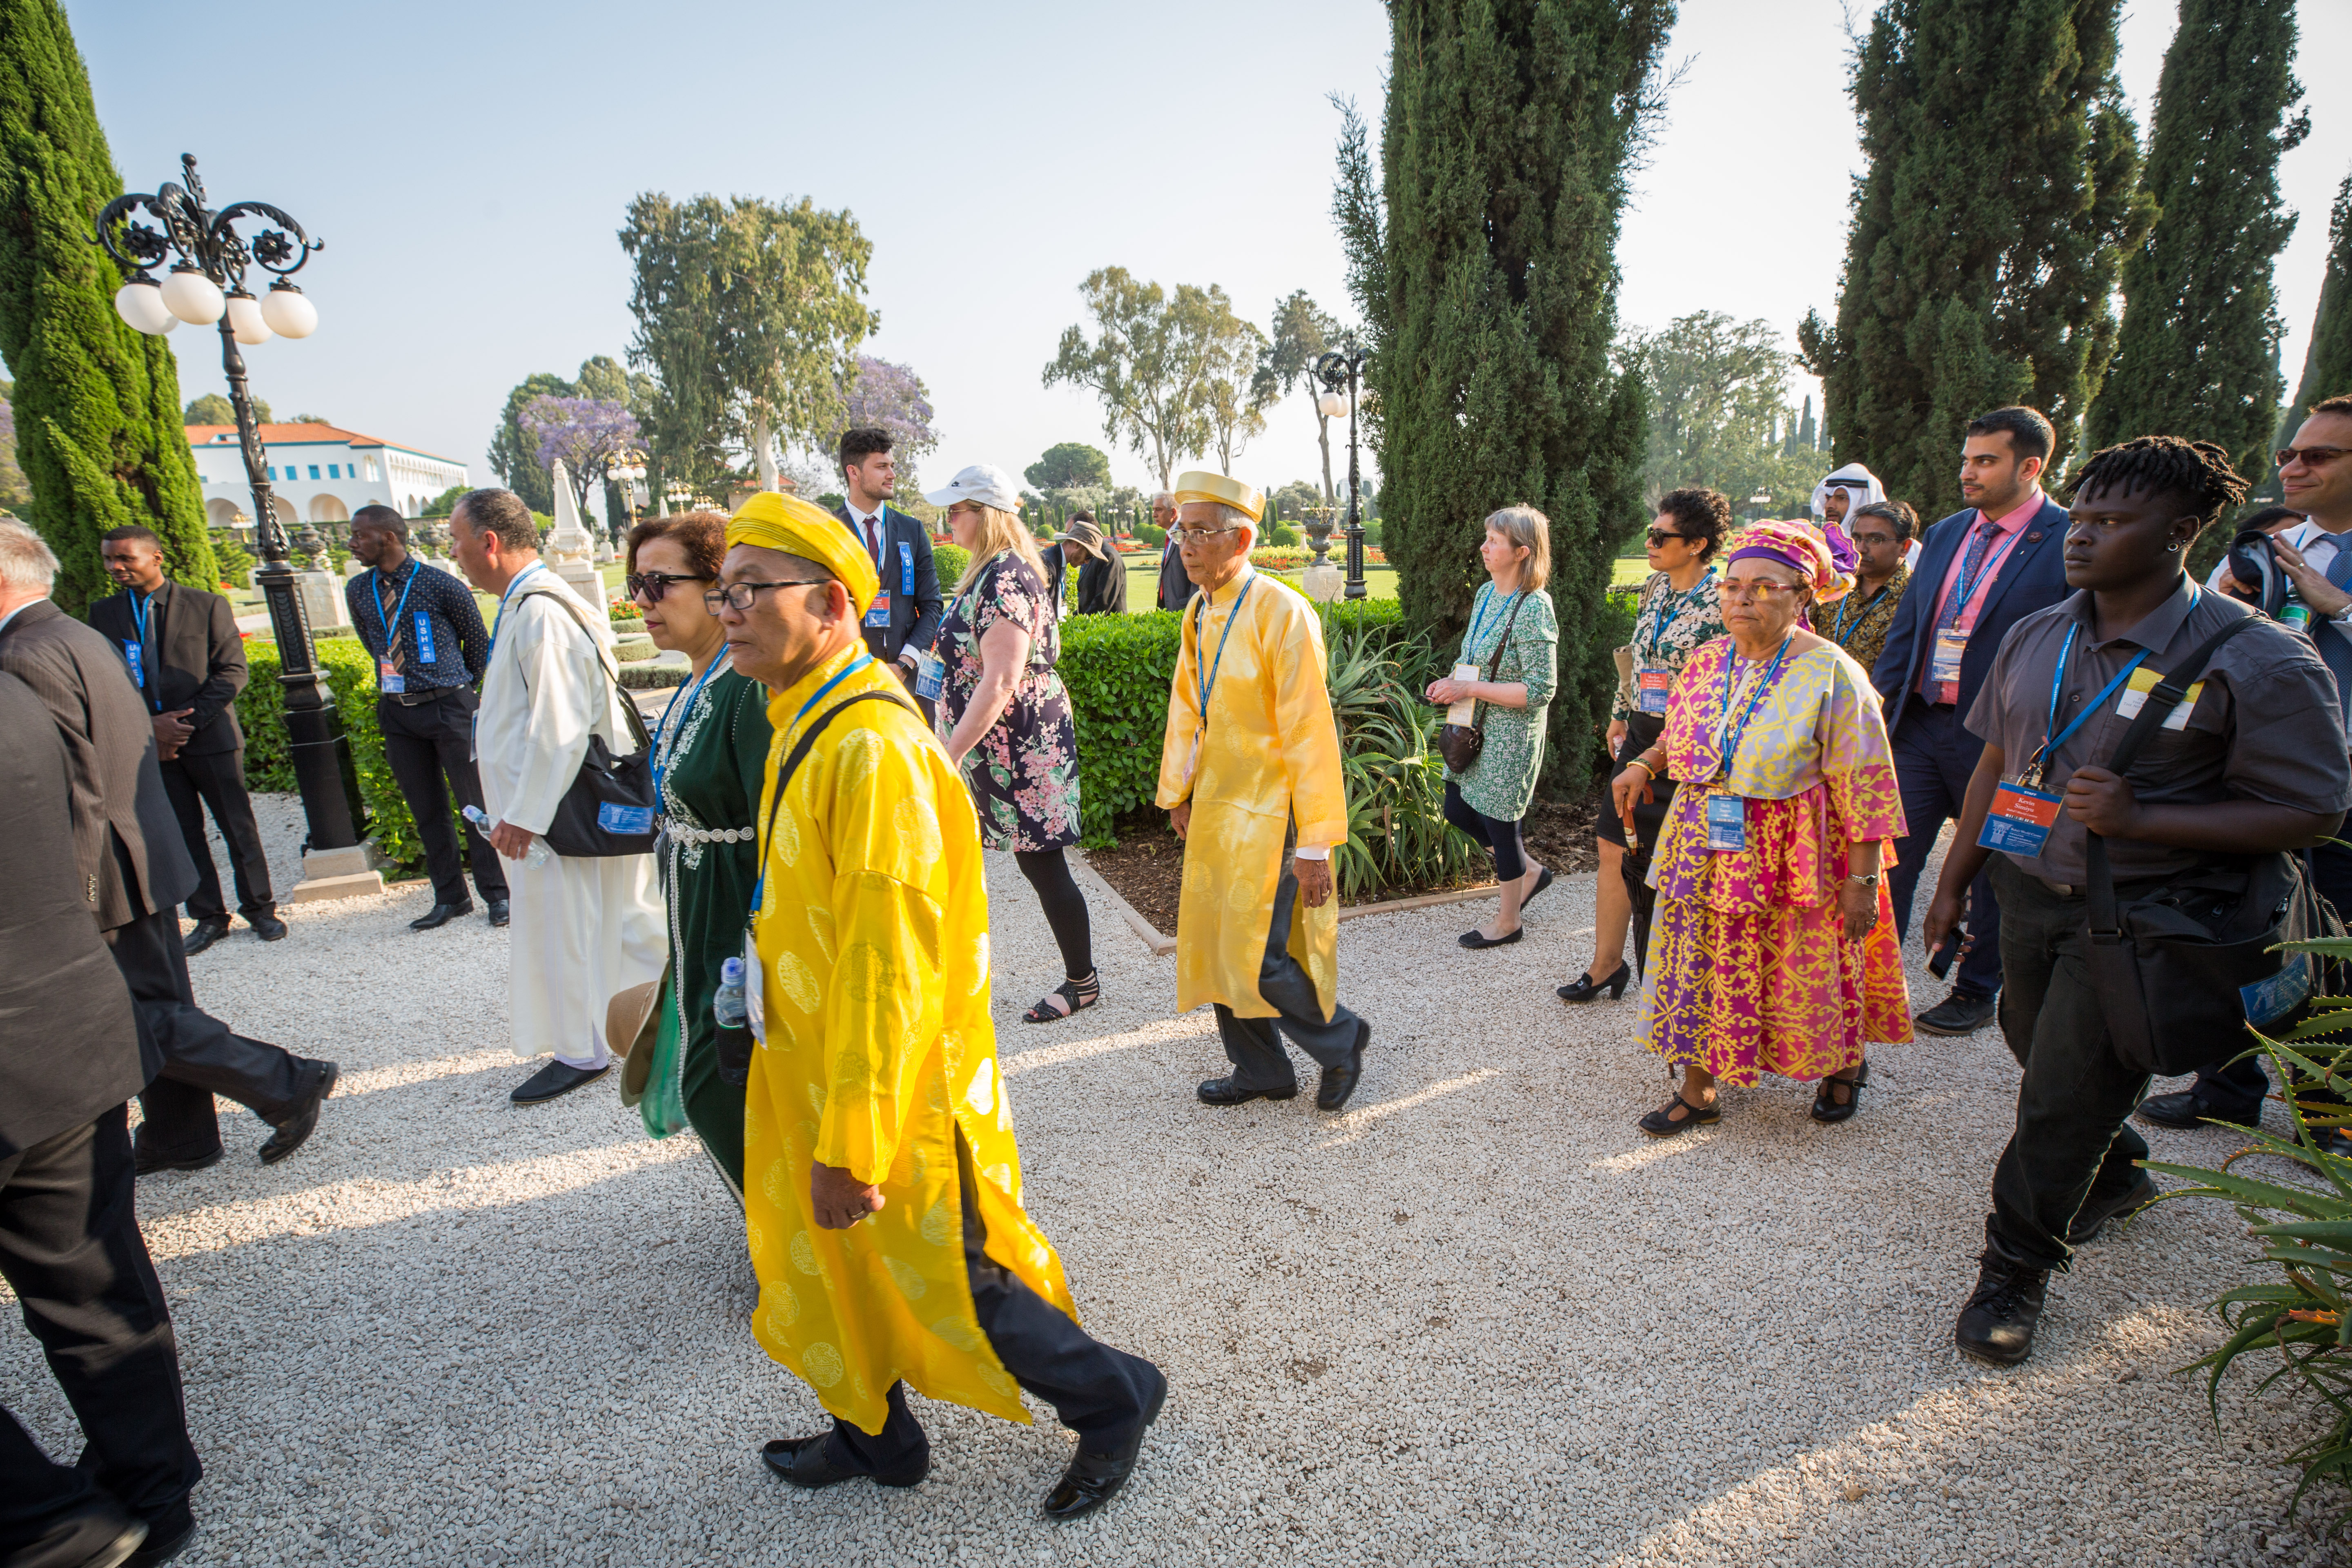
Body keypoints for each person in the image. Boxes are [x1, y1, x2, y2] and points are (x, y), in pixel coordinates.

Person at [716, 490, 1166, 1517]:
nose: (726, 608)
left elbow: (889, 961)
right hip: (813, 1055)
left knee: (961, 1271)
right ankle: (877, 1435)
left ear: (829, 601)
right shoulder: (803, 714)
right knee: (838, 1263)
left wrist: (856, 1137)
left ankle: (1110, 1399)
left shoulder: (869, 749)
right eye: (723, 589)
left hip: (892, 1087)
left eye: (750, 590)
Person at [1921, 436, 2350, 1366]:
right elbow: (1997, 758)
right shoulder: (2037, 630)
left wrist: (2143, 814)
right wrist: (1954, 880)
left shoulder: (2257, 659)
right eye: (2078, 515)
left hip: (2140, 916)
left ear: (2181, 533)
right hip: (2022, 888)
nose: (2081, 535)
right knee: (2035, 1049)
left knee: (2056, 1096)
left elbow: (2311, 808)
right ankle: (2111, 1171)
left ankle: (2014, 1266)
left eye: (2111, 522)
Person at [0, 519, 335, 1176]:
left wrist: (76, 896)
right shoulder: (75, 632)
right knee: (157, 1007)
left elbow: (74, 786)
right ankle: (182, 1139)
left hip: (105, 870)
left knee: (123, 1015)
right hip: (137, 855)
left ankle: (283, 1079)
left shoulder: (24, 656)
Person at [0, 669, 203, 1568]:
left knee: (93, 1287)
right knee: (95, 1290)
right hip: (66, 1016)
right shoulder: (11, 691)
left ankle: (47, 1519)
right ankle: (152, 1492)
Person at [1615, 519, 1909, 1136]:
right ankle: (1698, 1089)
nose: (1742, 598)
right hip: (1705, 841)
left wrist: (1861, 880)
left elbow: (1867, 782)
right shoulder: (1705, 660)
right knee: (1696, 958)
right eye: (1733, 586)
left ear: (1802, 596)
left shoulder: (1832, 672)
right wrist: (1646, 762)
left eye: (1763, 586)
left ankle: (1843, 1065)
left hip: (1795, 850)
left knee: (1813, 963)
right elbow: (1686, 731)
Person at [2152, 398, 2352, 1132]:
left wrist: (2337, 603)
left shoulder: (2323, 570)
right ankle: (2223, 1092)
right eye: (2291, 454)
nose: (2295, 467)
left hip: (2341, 792)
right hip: (2247, 778)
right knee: (2237, 932)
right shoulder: (2258, 549)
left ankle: (2327, 1108)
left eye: (2320, 457)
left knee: (2334, 947)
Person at [1155, 470, 1369, 1111]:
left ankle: (1342, 1039)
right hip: (1220, 807)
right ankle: (1261, 1072)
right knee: (1224, 946)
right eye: (1181, 531)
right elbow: (1187, 708)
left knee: (1260, 957)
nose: (1186, 545)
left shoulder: (1284, 611)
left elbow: (1310, 732)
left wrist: (1317, 843)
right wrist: (1179, 794)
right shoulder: (1200, 608)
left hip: (1274, 812)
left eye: (1200, 532)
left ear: (1241, 538)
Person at [450, 488, 666, 1105]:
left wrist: (524, 815)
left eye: (459, 543)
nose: (456, 556)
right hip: (564, 808)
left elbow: (559, 724)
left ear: (489, 543)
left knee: (570, 925)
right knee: (617, 920)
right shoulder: (532, 605)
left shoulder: (541, 613)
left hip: (557, 814)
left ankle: (583, 1048)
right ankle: (659, 1018)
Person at [1873, 406, 2073, 1038]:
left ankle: (1977, 988)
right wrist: (1875, 711)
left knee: (1996, 863)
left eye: (1985, 461)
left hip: (2006, 740)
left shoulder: (2067, 537)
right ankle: (1871, 982)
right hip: (1921, 726)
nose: (1969, 472)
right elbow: (1912, 628)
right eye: (1966, 459)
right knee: (1887, 859)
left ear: (2031, 466)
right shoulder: (1951, 531)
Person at [624, 512, 770, 1198]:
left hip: (732, 912)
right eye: (635, 585)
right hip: (695, 903)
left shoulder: (744, 689)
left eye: (659, 583)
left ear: (719, 588)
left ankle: (799, 1248)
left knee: (717, 1081)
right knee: (710, 1076)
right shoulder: (696, 682)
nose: (643, 600)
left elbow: (773, 834)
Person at [927, 464, 1098, 1023]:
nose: (948, 519)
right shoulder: (990, 571)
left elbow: (1001, 679)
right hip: (1000, 743)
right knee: (1032, 861)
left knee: (1043, 862)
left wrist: (948, 753)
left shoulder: (1005, 575)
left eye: (957, 509)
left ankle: (1083, 982)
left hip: (1022, 742)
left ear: (987, 515)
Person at [87, 525, 281, 953]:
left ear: (156, 558)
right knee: (182, 832)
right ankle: (209, 917)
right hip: (149, 744)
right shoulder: (104, 614)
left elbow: (232, 672)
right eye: (109, 560)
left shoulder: (206, 605)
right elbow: (105, 680)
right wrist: (150, 727)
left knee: (238, 827)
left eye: (126, 558)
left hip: (210, 739)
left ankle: (261, 910)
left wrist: (182, 725)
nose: (116, 567)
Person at [1569, 488, 1729, 1002]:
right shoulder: (1654, 588)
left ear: (1699, 543)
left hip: (1693, 739)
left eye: (1662, 536)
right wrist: (1620, 716)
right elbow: (1638, 659)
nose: (1651, 542)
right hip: (1641, 729)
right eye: (1650, 532)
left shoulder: (1725, 598)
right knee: (1612, 845)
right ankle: (1605, 965)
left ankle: (1674, 980)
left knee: (1674, 861)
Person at [344, 504, 509, 932]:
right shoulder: (359, 590)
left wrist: (457, 686)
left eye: (360, 536)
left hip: (450, 707)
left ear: (390, 537)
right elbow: (371, 640)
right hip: (399, 712)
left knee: (476, 805)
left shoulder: (441, 584)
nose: (352, 543)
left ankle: (499, 895)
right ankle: (451, 898)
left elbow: (477, 641)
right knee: (427, 810)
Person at [1425, 505, 1558, 949]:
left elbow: (1541, 689)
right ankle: (1531, 872)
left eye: (1494, 542)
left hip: (1510, 736)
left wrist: (1472, 691)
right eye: (1486, 538)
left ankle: (1508, 921)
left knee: (1502, 828)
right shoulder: (1486, 595)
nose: (1484, 547)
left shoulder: (1534, 606)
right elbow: (1476, 662)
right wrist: (1451, 686)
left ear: (1522, 552)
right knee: (1458, 811)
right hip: (1473, 726)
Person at [829, 426, 943, 702]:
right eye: (882, 467)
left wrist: (905, 663)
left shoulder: (912, 530)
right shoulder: (830, 532)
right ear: (853, 473)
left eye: (892, 466)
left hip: (909, 681)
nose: (892, 474)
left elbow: (932, 605)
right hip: (849, 682)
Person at [1812, 499, 1914, 675]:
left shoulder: (1916, 596)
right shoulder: (1836, 584)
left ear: (1904, 547)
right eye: (1857, 538)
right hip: (1818, 692)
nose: (1860, 549)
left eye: (1876, 540)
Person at [1813, 461, 1920, 572]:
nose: (1829, 505)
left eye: (1842, 498)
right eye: (1828, 498)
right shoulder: (1820, 546)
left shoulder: (1913, 552)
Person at [1058, 514, 1129, 615]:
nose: (1069, 539)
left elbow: (1102, 603)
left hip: (1108, 627)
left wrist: (1079, 623)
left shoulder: (1107, 556)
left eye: (1071, 533)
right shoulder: (1088, 554)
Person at [1150, 490, 1194, 611]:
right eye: (1154, 510)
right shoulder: (1169, 535)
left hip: (1183, 611)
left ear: (1173, 512)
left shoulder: (1185, 534)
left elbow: (1196, 579)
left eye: (1159, 510)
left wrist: (1192, 609)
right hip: (1168, 609)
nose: (1154, 515)